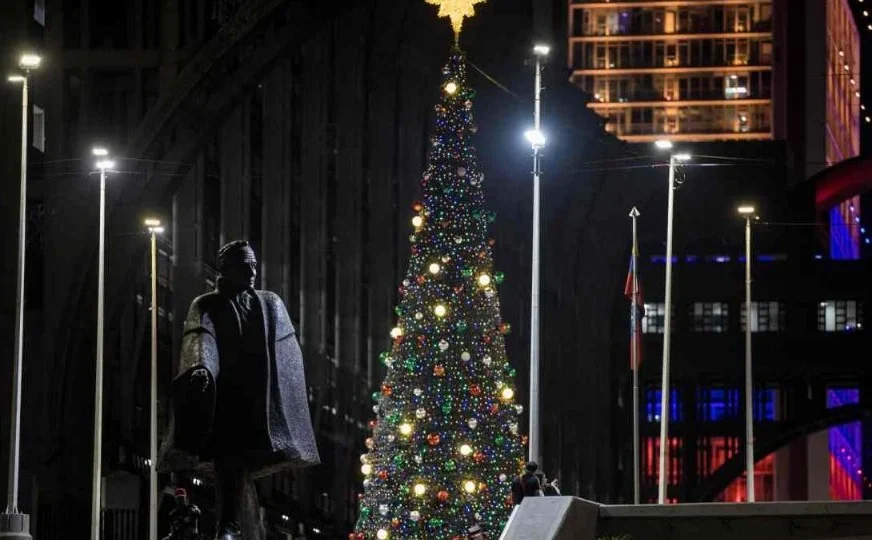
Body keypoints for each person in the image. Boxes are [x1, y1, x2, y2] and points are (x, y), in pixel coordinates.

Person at [158, 241, 320, 540]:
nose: (252, 272)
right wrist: (202, 368)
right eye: (245, 266)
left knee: (240, 463)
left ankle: (235, 525)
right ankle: (227, 525)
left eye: (254, 265)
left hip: (259, 400)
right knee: (227, 457)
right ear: (226, 268)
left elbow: (286, 348)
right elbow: (201, 337)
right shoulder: (206, 303)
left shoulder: (269, 303)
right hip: (224, 397)